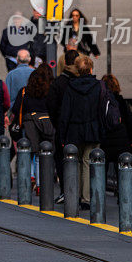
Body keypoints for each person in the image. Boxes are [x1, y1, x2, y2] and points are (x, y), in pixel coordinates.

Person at [59, 55, 103, 210]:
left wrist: (62, 135)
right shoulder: (98, 86)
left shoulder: (71, 87)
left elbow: (65, 112)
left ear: (77, 69)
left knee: (75, 162)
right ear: (91, 69)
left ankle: (74, 195)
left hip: (74, 129)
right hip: (92, 128)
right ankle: (87, 197)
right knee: (87, 162)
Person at [12, 66, 55, 188]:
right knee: (41, 153)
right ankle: (40, 184)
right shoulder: (49, 91)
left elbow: (16, 108)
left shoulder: (25, 91)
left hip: (29, 123)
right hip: (46, 123)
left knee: (29, 151)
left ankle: (30, 176)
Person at [47, 48, 80, 202]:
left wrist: (57, 123)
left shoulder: (58, 83)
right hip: (80, 126)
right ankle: (80, 192)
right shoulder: (82, 81)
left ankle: (65, 191)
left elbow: (51, 107)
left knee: (61, 158)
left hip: (62, 126)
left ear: (65, 62)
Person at [100, 74, 132, 179]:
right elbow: (129, 122)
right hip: (122, 141)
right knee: (123, 175)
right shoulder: (121, 101)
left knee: (101, 173)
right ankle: (123, 193)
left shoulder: (101, 102)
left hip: (105, 141)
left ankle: (100, 194)